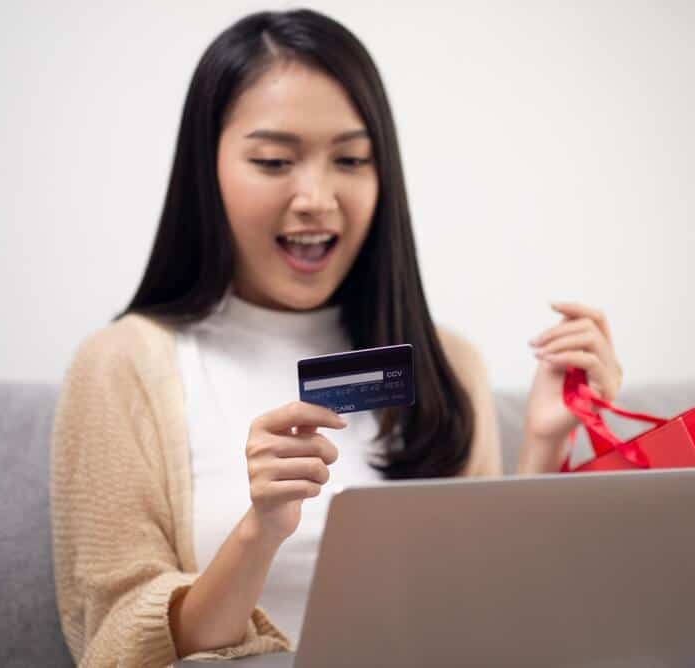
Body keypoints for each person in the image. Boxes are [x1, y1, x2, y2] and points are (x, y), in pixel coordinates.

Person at [49, 8, 623, 667]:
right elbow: (116, 642)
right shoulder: (120, 366)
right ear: (205, 171)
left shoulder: (448, 364)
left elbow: (490, 619)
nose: (316, 196)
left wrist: (547, 443)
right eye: (273, 161)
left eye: (350, 159)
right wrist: (258, 533)